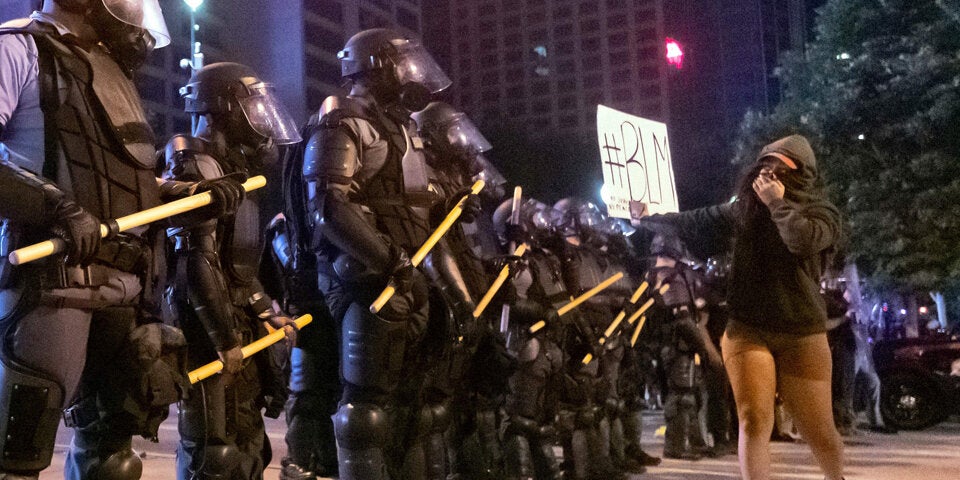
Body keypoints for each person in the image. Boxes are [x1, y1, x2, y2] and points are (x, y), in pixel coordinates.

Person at [0, 2, 192, 478]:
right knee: (18, 452)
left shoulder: (110, 68)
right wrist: (56, 207)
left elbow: (120, 179)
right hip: (52, 283)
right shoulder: (18, 45)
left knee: (112, 456)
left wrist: (183, 192)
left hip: (123, 288)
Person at [289, 28, 453, 479]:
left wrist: (446, 201)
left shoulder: (400, 125)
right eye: (403, 63)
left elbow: (407, 201)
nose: (412, 74)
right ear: (377, 65)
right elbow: (329, 205)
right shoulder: (341, 117)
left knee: (411, 407)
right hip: (363, 278)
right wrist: (388, 260)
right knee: (364, 411)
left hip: (406, 277)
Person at [639, 134, 845, 480]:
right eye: (765, 165)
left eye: (781, 168)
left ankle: (834, 476)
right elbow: (696, 219)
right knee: (752, 419)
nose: (770, 174)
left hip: (801, 331)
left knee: (819, 430)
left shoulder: (822, 213)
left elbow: (801, 240)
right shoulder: (744, 209)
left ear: (802, 175)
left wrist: (778, 205)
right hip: (748, 328)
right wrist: (648, 217)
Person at [161, 62, 301, 480]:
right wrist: (223, 338)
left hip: (234, 318)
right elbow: (195, 260)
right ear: (222, 107)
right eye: (252, 106)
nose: (260, 119)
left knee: (250, 446)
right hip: (202, 325)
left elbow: (238, 264)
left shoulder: (231, 169)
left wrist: (264, 310)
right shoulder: (194, 160)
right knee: (213, 452)